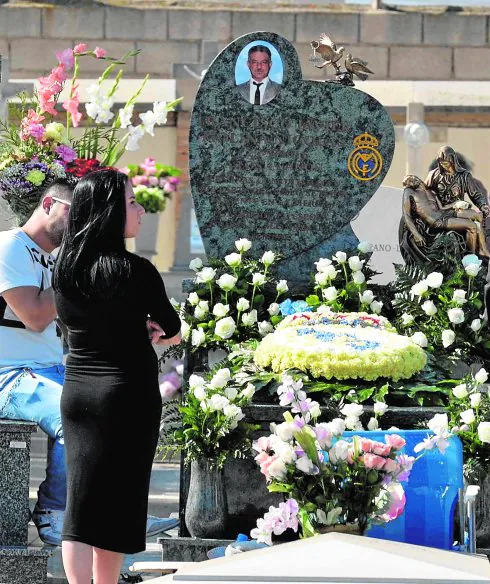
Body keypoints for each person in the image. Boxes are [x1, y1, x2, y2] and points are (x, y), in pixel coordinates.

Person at [0, 178, 180, 547]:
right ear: (49, 205)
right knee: (80, 420)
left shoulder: (59, 257)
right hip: (10, 374)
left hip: (53, 367)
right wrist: (77, 273)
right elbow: (34, 316)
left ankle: (117, 519)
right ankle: (56, 513)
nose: (83, 218)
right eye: (74, 210)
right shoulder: (9, 246)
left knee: (116, 416)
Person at [52, 169, 181, 583]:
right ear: (108, 212)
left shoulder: (65, 268)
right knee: (118, 502)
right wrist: (149, 329)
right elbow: (172, 328)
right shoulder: (136, 271)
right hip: (127, 394)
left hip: (77, 392)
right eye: (131, 202)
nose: (140, 210)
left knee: (81, 501)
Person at [400, 175, 490, 264]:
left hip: (444, 213)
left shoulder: (431, 191)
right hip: (437, 220)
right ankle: (470, 258)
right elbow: (406, 215)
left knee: (477, 215)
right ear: (408, 185)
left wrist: (456, 203)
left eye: (412, 177)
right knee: (472, 226)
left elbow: (442, 207)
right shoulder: (409, 192)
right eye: (409, 181)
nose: (412, 180)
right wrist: (416, 234)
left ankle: (483, 248)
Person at [426, 146, 490, 216]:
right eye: (441, 163)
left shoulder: (465, 176)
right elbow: (423, 191)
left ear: (453, 161)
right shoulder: (433, 175)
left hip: (458, 212)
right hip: (437, 214)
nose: (444, 166)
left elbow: (475, 195)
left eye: (447, 163)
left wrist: (483, 205)